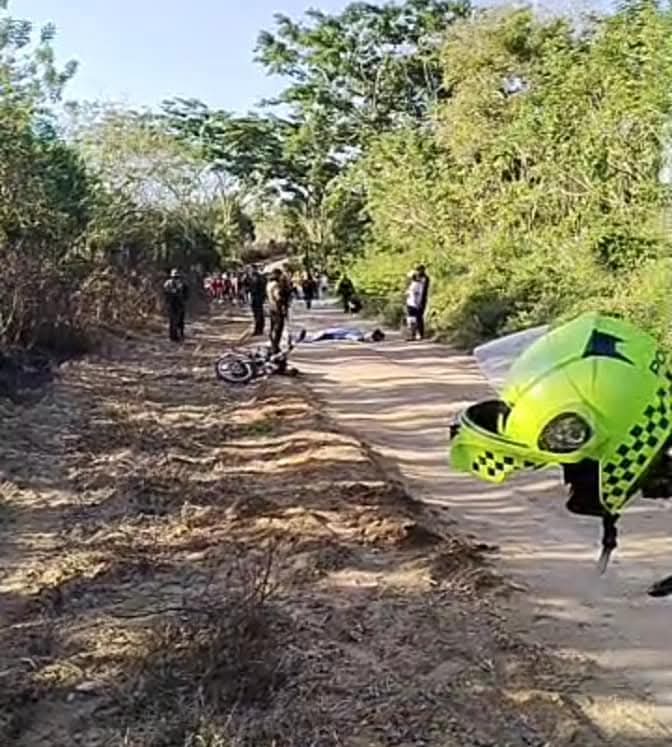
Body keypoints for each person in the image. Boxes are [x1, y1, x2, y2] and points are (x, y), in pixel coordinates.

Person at [163, 268, 189, 342]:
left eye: (177, 277)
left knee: (180, 320)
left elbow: (186, 294)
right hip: (172, 304)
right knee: (173, 320)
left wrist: (183, 299)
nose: (176, 279)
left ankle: (180, 334)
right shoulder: (168, 283)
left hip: (180, 304)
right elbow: (165, 293)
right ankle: (173, 336)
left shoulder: (183, 284)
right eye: (174, 277)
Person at [267, 269, 290, 354]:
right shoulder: (276, 285)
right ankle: (275, 347)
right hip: (277, 308)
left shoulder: (269, 284)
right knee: (278, 328)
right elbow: (278, 297)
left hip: (271, 307)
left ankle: (273, 345)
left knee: (273, 327)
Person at [301, 327, 385, 343]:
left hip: (331, 333)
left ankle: (302, 338)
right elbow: (349, 336)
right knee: (313, 338)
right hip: (330, 333)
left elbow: (350, 336)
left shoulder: (359, 333)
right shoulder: (358, 333)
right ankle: (303, 338)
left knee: (313, 338)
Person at [249, 266, 267, 336]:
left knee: (257, 314)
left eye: (250, 269)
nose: (250, 271)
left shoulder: (255, 277)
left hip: (256, 297)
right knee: (259, 313)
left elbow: (254, 288)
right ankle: (260, 328)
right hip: (258, 297)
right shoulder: (260, 277)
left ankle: (258, 329)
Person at [406, 272, 423, 341]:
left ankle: (414, 335)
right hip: (412, 303)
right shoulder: (417, 284)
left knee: (413, 319)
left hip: (413, 304)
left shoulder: (415, 284)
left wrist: (417, 303)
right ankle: (414, 334)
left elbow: (415, 294)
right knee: (413, 319)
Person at [416, 264, 430, 340]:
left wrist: (420, 301)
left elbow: (423, 290)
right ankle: (417, 332)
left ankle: (421, 333)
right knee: (416, 317)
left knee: (419, 316)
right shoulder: (418, 278)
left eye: (419, 270)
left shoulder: (425, 278)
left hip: (422, 299)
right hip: (416, 299)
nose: (418, 271)